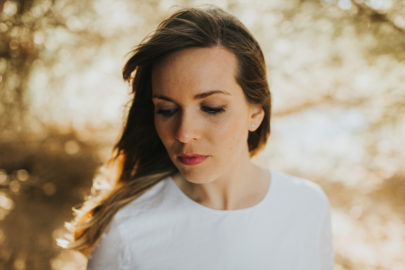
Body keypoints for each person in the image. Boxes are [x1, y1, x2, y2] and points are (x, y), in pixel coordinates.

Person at [59, 6, 334, 270]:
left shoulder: (308, 206)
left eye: (212, 108)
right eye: (166, 110)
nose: (184, 133)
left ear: (255, 113)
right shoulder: (127, 230)